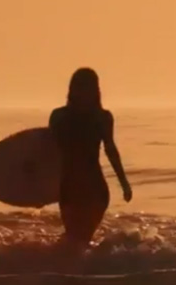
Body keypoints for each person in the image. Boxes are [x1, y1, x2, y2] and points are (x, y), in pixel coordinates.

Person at [48, 67, 132, 247]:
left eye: (89, 87)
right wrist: (40, 191)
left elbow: (111, 150)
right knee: (74, 239)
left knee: (82, 239)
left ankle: (86, 272)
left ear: (96, 90)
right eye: (80, 87)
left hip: (95, 188)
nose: (84, 92)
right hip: (69, 189)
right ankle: (77, 273)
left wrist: (124, 183)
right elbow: (49, 154)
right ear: (72, 89)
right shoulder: (59, 117)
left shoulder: (103, 118)